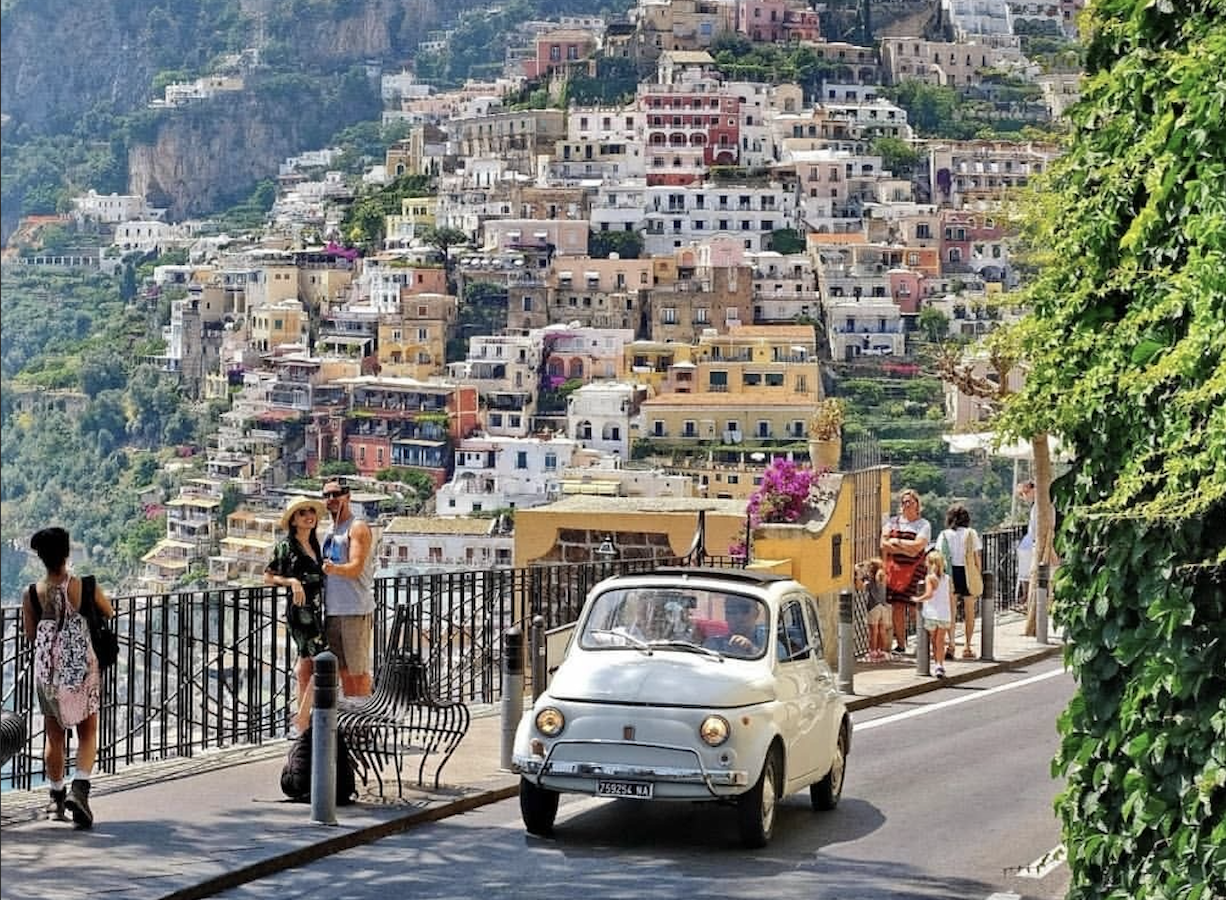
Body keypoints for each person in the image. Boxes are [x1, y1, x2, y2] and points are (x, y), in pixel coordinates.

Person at [21, 527, 114, 829]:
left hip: (48, 672)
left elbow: (32, 634)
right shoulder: (85, 586)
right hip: (81, 669)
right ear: (67, 552)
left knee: (54, 736)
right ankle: (80, 789)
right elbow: (108, 611)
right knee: (88, 733)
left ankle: (55, 798)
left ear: (41, 558)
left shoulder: (31, 594)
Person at [265, 495, 328, 734]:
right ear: (293, 520)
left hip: (316, 610)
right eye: (302, 513)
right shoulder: (286, 546)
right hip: (300, 613)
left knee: (306, 666)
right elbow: (268, 576)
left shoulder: (315, 545)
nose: (309, 516)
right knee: (322, 660)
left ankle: (302, 721)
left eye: (311, 512)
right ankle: (302, 719)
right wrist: (292, 581)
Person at [320, 479, 376, 699]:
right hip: (333, 610)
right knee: (342, 670)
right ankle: (352, 718)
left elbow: (355, 567)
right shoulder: (329, 530)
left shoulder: (357, 527)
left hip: (354, 609)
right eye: (327, 495)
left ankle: (364, 719)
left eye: (337, 494)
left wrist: (333, 569)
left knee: (358, 671)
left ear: (348, 496)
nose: (332, 499)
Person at [881, 488, 931, 655]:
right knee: (897, 608)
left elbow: (918, 547)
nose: (906, 505)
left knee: (915, 608)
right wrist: (906, 549)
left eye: (910, 501)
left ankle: (921, 643)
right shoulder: (892, 522)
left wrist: (896, 542)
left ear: (917, 504)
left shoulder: (923, 524)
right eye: (904, 502)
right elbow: (884, 544)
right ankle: (901, 645)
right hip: (895, 572)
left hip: (915, 571)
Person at [939, 504, 982, 659]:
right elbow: (977, 558)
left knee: (951, 611)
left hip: (950, 574)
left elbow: (939, 557)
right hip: (968, 572)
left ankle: (950, 645)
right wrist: (978, 574)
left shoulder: (944, 535)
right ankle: (967, 646)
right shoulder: (971, 533)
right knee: (969, 611)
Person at [913, 550, 953, 678]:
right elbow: (950, 595)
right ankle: (939, 665)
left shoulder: (930, 578)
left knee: (934, 641)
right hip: (944, 613)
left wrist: (917, 599)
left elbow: (929, 594)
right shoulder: (947, 578)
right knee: (940, 641)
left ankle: (937, 664)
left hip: (931, 613)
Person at [858, 557, 890, 662]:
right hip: (883, 607)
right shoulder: (882, 578)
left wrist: (859, 574)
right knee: (882, 630)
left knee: (873, 631)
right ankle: (882, 651)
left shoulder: (871, 581)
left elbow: (861, 587)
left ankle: (873, 651)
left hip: (873, 607)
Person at [1015, 480, 1037, 609]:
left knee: (1027, 573)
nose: (1024, 497)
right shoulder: (1035, 506)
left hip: (1031, 543)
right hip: (1029, 543)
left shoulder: (1037, 506)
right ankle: (1027, 598)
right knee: (1026, 573)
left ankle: (1027, 599)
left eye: (1024, 494)